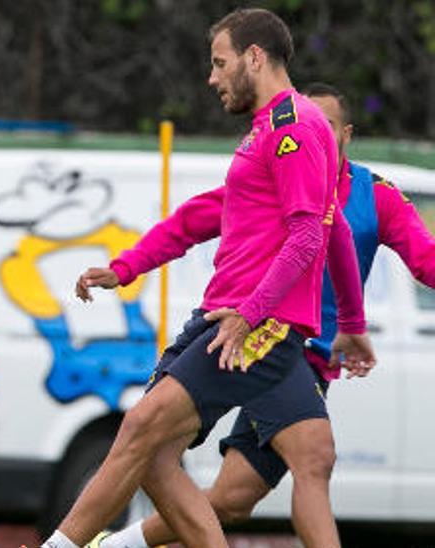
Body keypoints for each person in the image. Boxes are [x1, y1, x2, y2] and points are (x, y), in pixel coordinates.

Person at [44, 8, 363, 547]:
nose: (212, 78)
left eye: (220, 63)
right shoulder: (262, 131)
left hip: (257, 325)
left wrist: (251, 314)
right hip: (222, 315)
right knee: (152, 454)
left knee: (140, 429)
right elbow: (201, 215)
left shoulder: (296, 126)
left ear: (254, 57)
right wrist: (125, 268)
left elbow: (311, 236)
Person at [93, 83, 423, 548]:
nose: (318, 138)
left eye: (328, 128)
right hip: (267, 341)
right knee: (314, 455)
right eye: (312, 127)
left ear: (345, 134)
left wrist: (351, 325)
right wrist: (124, 267)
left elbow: (421, 260)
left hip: (312, 362)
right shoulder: (268, 180)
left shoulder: (375, 196)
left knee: (233, 498)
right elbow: (187, 223)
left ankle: (113, 546)